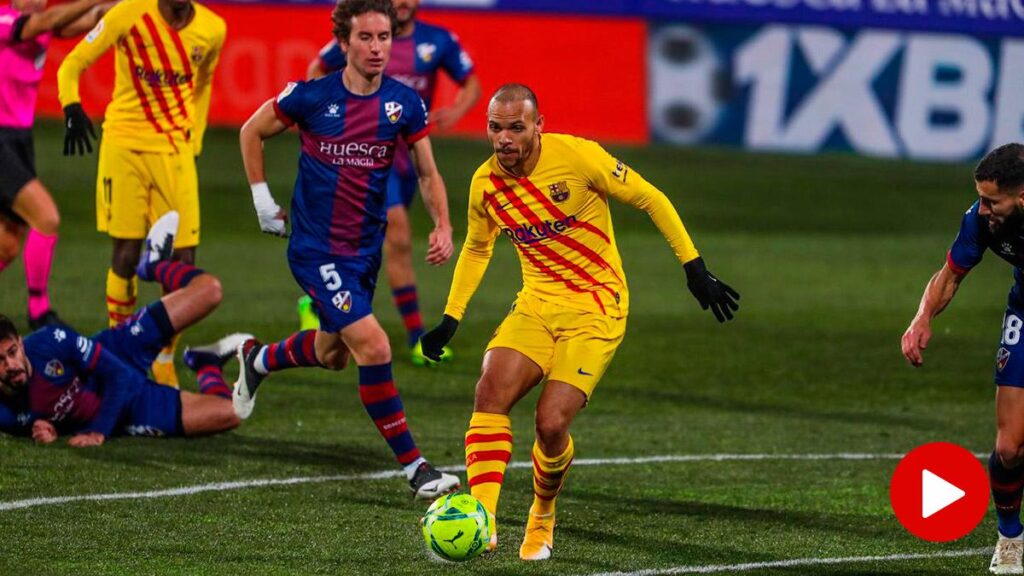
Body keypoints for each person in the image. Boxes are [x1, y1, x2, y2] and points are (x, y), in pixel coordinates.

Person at [419, 83, 741, 560]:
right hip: (535, 304)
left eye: (515, 127)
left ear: (538, 126)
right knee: (489, 393)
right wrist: (451, 317)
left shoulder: (578, 158)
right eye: (494, 128)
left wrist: (693, 267)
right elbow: (478, 246)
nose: (503, 138)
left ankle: (542, 514)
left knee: (550, 424)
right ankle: (482, 518)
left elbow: (651, 198)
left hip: (596, 307)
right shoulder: (485, 183)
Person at [237, 0, 458, 500]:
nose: (378, 47)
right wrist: (261, 199)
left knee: (334, 352)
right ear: (344, 43)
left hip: (363, 253)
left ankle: (258, 360)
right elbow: (252, 131)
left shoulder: (403, 103)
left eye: (384, 38)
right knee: (375, 346)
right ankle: (417, 468)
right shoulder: (311, 97)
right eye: (366, 38)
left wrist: (442, 224)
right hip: (316, 250)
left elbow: (427, 172)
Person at [299, 0, 480, 366]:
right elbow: (318, 67)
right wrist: (325, 121)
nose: (401, 2)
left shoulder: (437, 41)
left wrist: (458, 110)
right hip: (367, 159)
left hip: (407, 163)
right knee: (397, 235)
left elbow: (471, 81)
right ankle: (417, 337)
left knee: (367, 243)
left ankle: (318, 300)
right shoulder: (366, 37)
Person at [56, 0, 226, 388]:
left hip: (175, 153)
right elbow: (72, 63)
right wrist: (71, 105)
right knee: (126, 255)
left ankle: (164, 357)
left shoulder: (213, 29)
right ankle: (122, 353)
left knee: (184, 262)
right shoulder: (128, 13)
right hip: (124, 148)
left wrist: (194, 140)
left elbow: (203, 85)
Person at [0, 211, 250, 445]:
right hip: (133, 408)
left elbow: (119, 375)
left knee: (210, 290)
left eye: (12, 352)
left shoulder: (50, 341)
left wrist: (98, 430)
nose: (10, 365)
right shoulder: (5, 415)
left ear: (21, 343)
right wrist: (48, 426)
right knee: (234, 413)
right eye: (0, 360)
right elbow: (42, 411)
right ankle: (206, 363)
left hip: (121, 351)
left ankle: (152, 265)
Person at [901, 143, 1024, 575]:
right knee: (1009, 447)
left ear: (1022, 196)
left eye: (993, 200)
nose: (984, 208)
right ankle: (1010, 538)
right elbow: (951, 274)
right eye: (981, 198)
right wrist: (922, 319)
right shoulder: (982, 220)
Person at [0, 0, 111, 329]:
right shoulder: (5, 18)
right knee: (45, 217)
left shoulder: (42, 22)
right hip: (0, 141)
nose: (36, 0)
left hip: (19, 140)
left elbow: (91, 18)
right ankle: (39, 311)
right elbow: (45, 21)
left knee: (7, 241)